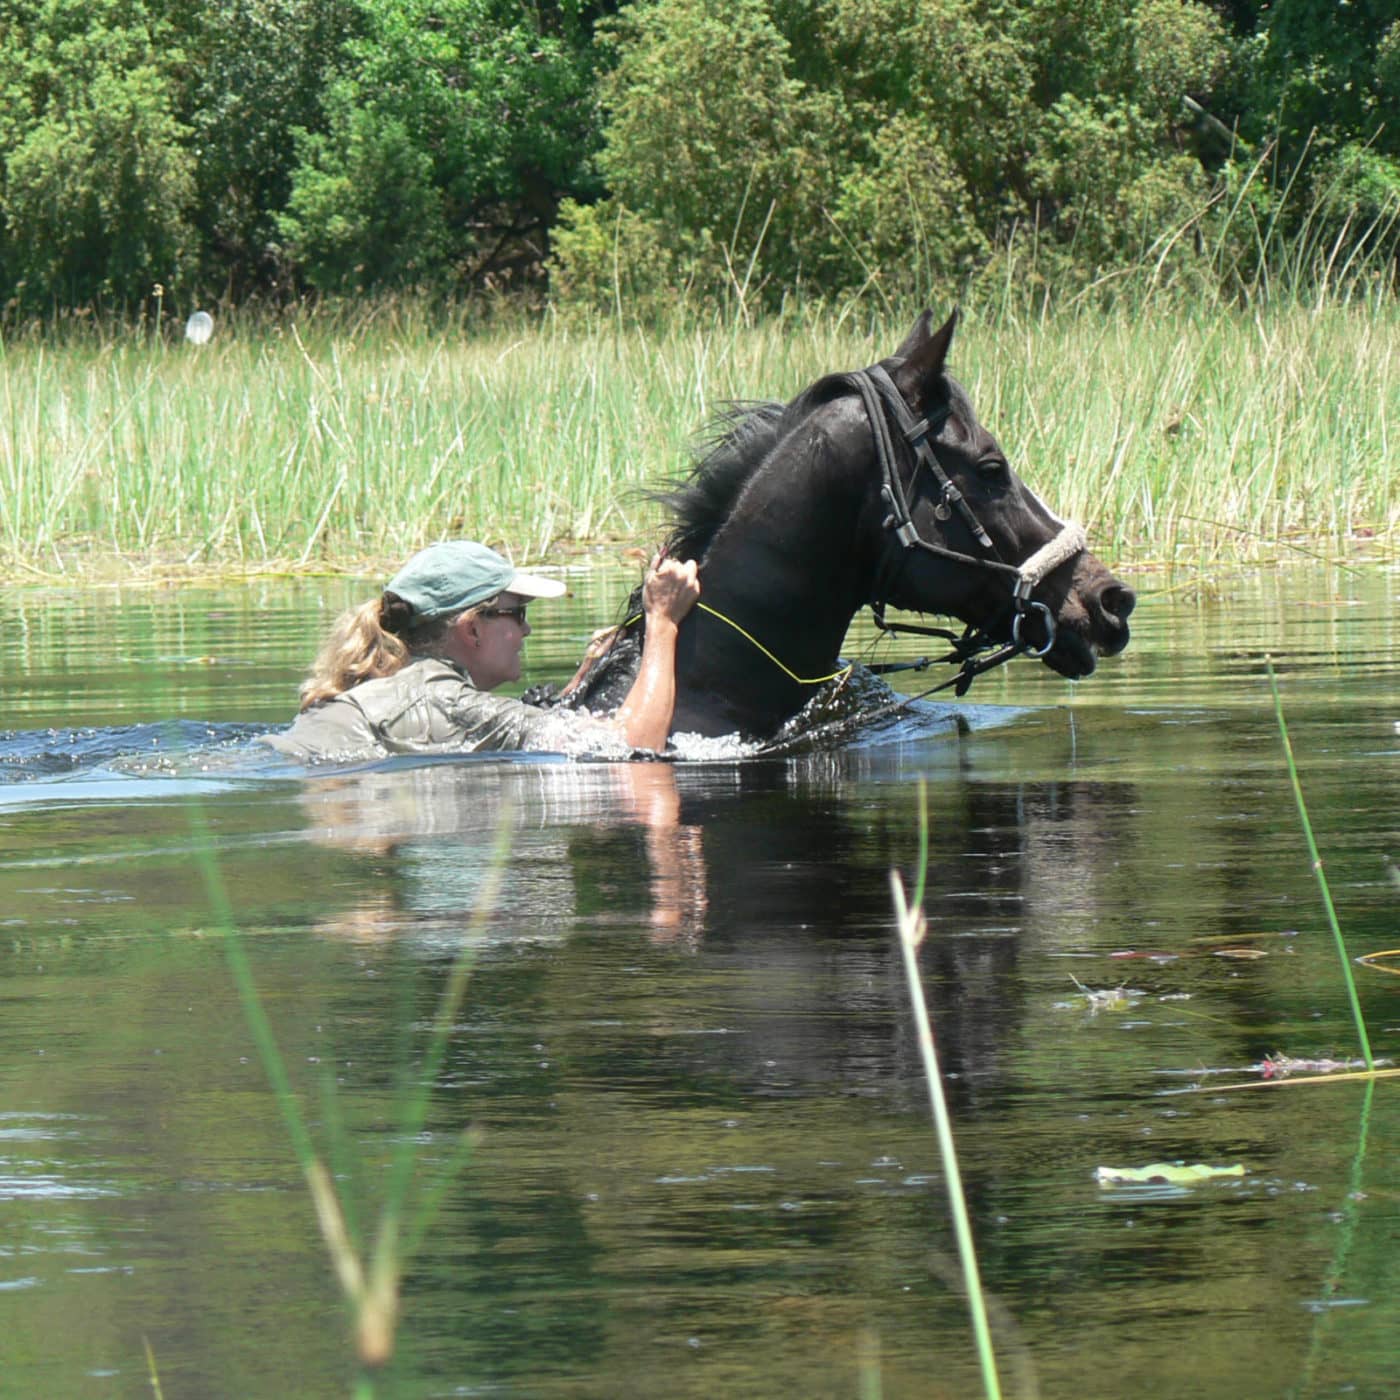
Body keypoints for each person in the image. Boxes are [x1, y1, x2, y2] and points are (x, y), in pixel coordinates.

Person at [264, 540, 699, 762]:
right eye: (518, 613)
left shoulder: (394, 682)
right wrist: (662, 621)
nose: (526, 630)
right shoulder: (451, 702)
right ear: (472, 629)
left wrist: (583, 677)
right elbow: (629, 748)